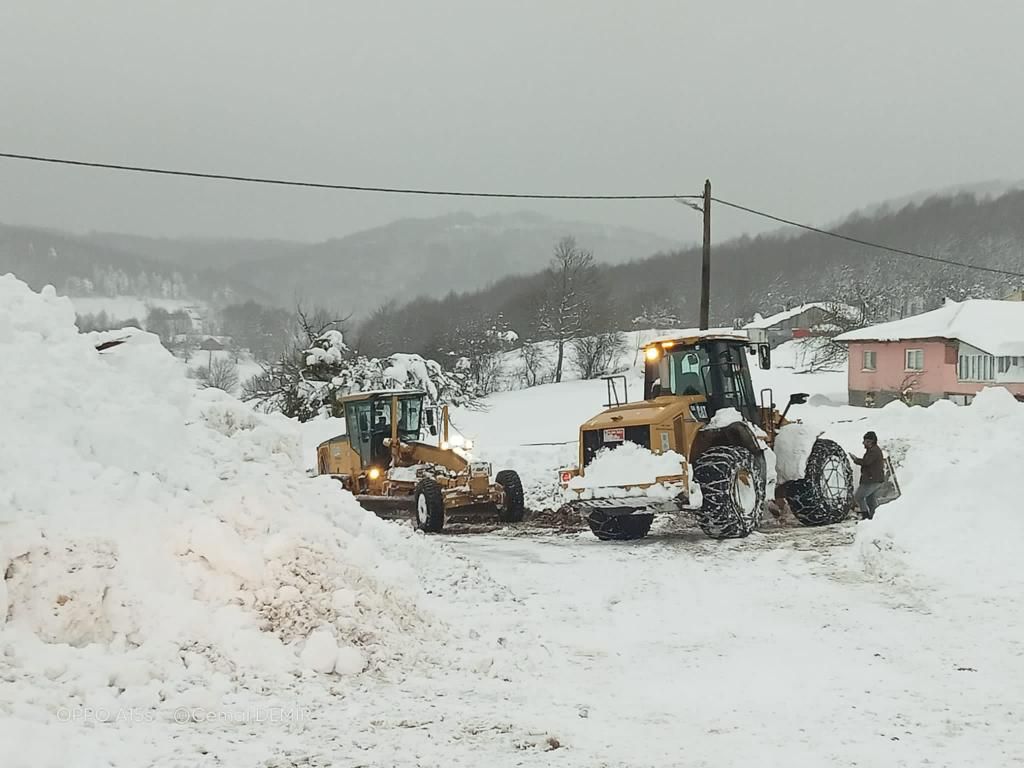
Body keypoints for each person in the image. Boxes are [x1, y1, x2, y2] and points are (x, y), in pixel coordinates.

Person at [850, 431, 885, 519]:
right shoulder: (874, 450)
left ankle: (866, 516)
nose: (863, 443)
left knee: (859, 497)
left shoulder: (873, 451)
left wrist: (856, 459)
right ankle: (875, 518)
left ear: (870, 441)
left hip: (871, 480)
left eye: (865, 441)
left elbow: (866, 462)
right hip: (875, 479)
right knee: (870, 500)